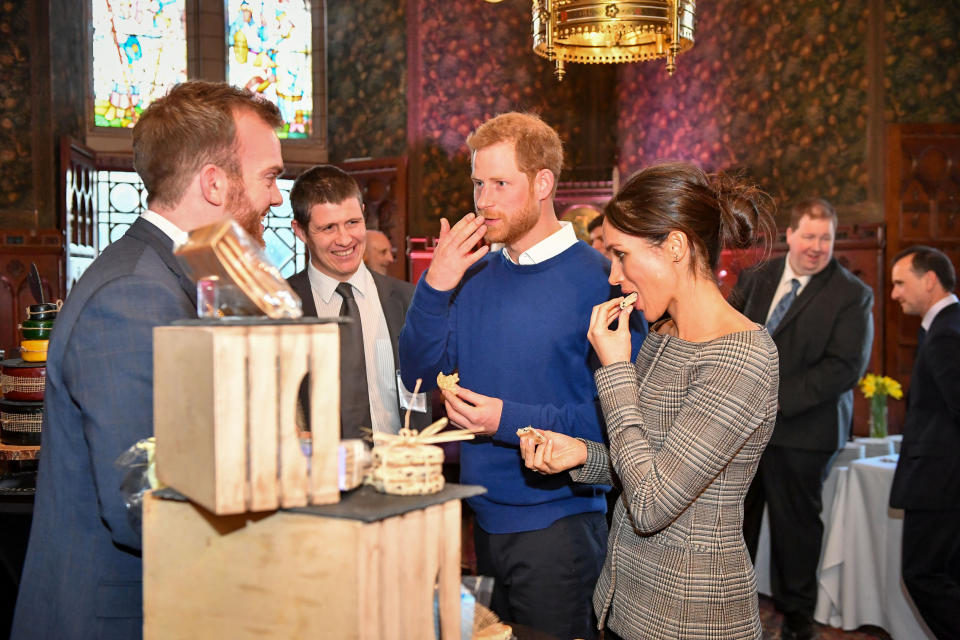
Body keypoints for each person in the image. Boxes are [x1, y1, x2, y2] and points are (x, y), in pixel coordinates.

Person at [11, 81, 284, 640]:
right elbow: (147, 502)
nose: (276, 198)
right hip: (123, 616)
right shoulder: (136, 294)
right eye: (270, 177)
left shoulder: (185, 275)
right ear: (214, 182)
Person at [398, 112, 647, 639]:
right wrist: (437, 282)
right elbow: (418, 377)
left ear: (542, 184)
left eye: (500, 184)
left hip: (560, 524)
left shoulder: (603, 282)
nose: (483, 200)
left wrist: (506, 420)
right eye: (477, 184)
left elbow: (623, 423)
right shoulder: (475, 274)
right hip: (480, 518)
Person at [520, 162, 780, 640]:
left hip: (692, 617)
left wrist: (615, 369)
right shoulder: (663, 335)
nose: (615, 276)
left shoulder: (743, 357)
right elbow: (645, 463)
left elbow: (652, 503)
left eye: (620, 254)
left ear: (675, 246)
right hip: (627, 604)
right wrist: (582, 455)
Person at [733, 198, 874, 640]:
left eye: (825, 239)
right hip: (742, 430)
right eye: (809, 236)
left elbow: (844, 368)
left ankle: (797, 623)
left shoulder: (852, 294)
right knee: (735, 523)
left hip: (803, 432)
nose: (816, 247)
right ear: (790, 235)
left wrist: (768, 401)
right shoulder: (759, 276)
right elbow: (729, 329)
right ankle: (732, 610)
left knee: (796, 534)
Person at [287, 165, 430, 436]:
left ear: (364, 215)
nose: (344, 239)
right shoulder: (280, 306)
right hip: (317, 471)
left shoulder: (406, 300)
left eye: (352, 223)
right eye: (328, 227)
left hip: (399, 468)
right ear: (301, 231)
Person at [888, 245, 960, 640]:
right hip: (943, 481)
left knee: (924, 575)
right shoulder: (947, 325)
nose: (895, 293)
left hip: (940, 483)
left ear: (928, 280)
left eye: (901, 282)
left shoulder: (946, 332)